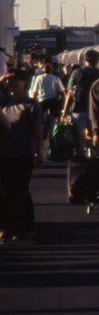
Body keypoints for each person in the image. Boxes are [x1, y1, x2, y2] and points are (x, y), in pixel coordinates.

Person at [0, 69, 44, 241]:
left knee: (21, 191)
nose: (12, 83)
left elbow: (38, 130)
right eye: (9, 81)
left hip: (23, 153)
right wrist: (2, 78)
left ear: (25, 82)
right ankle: (6, 227)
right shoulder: (4, 102)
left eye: (16, 80)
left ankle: (25, 228)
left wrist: (38, 151)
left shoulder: (31, 104)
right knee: (5, 192)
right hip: (4, 154)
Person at [61, 49, 99, 155]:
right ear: (97, 61)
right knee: (92, 137)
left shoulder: (77, 72)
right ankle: (92, 159)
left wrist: (64, 112)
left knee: (80, 140)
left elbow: (69, 93)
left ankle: (81, 163)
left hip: (78, 109)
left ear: (85, 59)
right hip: (95, 111)